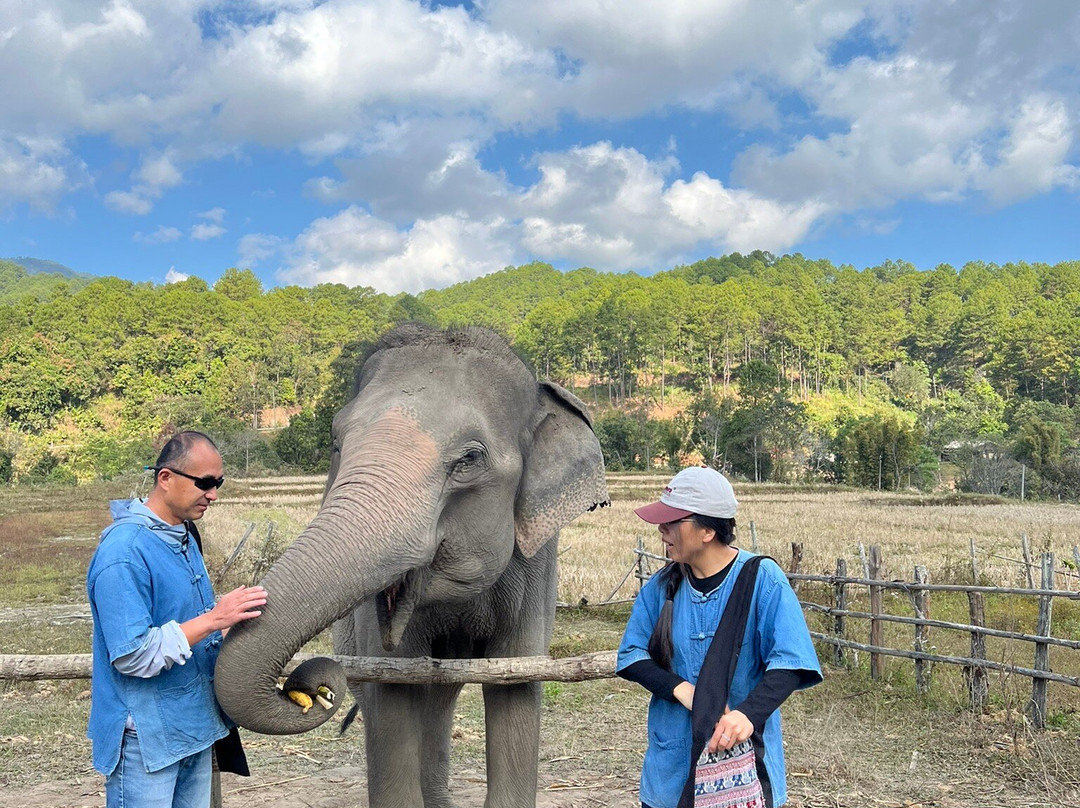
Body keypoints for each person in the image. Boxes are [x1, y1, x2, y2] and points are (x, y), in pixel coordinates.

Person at [617, 466, 822, 808]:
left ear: (708, 530)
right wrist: (684, 691)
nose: (661, 530)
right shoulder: (662, 585)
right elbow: (632, 656)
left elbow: (791, 662)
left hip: (742, 765)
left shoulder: (763, 581)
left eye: (672, 522)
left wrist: (745, 715)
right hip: (671, 768)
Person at [86, 431, 267, 808]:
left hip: (193, 726)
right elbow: (133, 655)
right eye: (204, 483)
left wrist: (226, 623)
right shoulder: (123, 552)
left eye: (218, 483)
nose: (213, 494)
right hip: (144, 740)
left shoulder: (184, 535)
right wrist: (215, 618)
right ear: (165, 478)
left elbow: (186, 624)